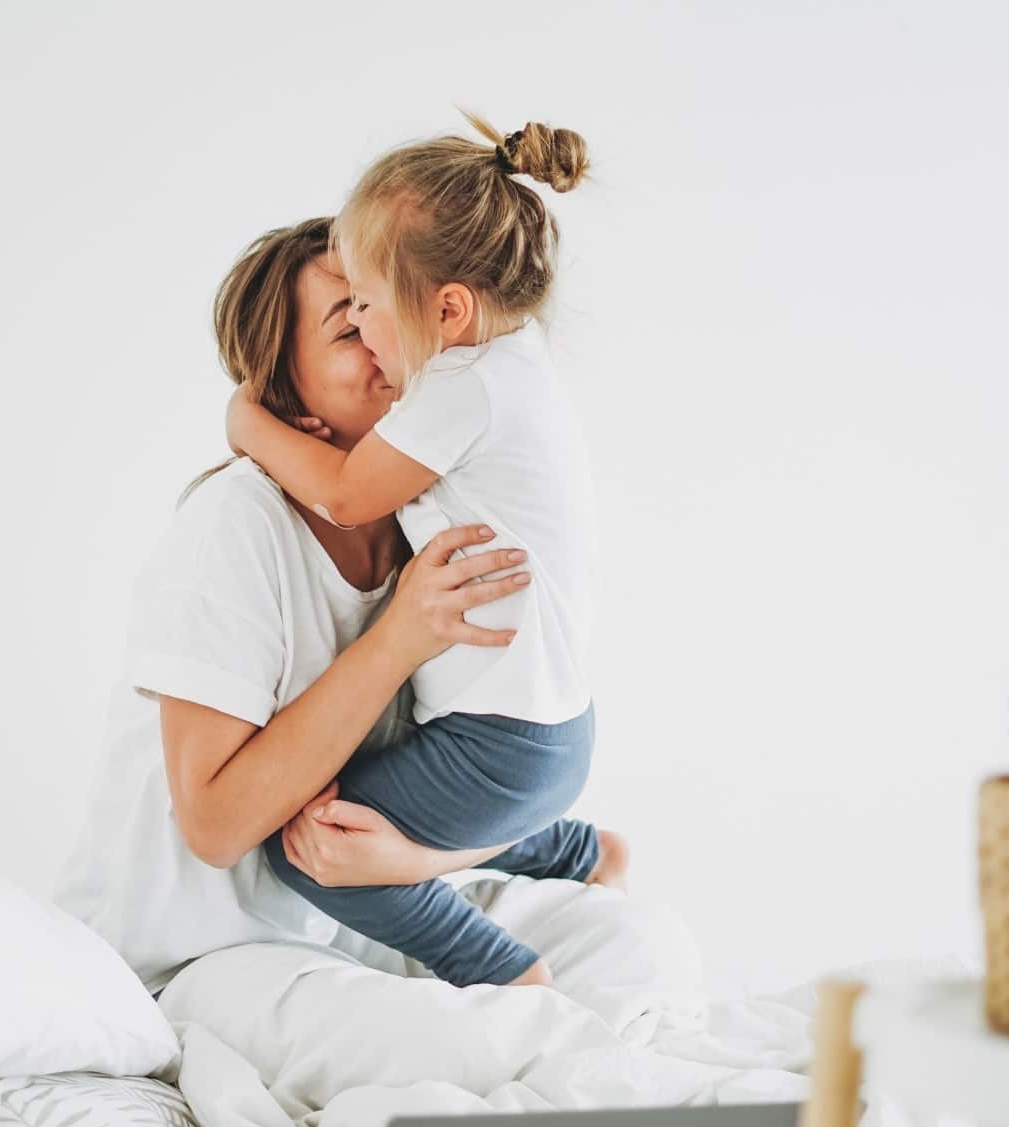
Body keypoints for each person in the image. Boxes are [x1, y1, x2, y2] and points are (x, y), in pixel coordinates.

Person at [57, 217, 625, 996]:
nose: (381, 332)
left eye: (380, 304)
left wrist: (419, 862)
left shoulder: (424, 507)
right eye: (346, 322)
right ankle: (517, 962)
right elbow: (217, 828)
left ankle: (565, 862)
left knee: (634, 949)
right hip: (184, 964)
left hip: (334, 932)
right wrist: (397, 639)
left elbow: (420, 801)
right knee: (485, 1049)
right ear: (285, 391)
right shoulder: (235, 524)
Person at [223, 118, 603, 987]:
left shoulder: (459, 388)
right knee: (358, 773)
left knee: (309, 841)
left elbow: (350, 492)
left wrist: (249, 423)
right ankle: (578, 856)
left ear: (446, 311)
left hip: (498, 746)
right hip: (552, 738)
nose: (358, 323)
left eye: (363, 305)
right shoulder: (516, 360)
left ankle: (503, 972)